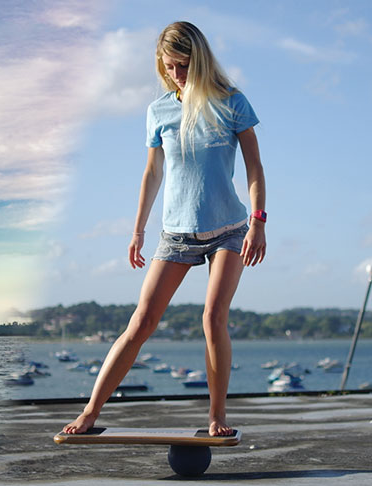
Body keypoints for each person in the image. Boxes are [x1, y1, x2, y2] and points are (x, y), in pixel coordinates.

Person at [63, 21, 266, 437]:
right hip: (176, 233)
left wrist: (258, 222)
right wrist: (137, 230)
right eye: (169, 66)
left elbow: (254, 167)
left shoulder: (231, 102)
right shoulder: (159, 111)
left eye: (184, 65)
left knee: (213, 318)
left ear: (201, 61)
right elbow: (152, 172)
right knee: (141, 322)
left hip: (229, 228)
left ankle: (216, 417)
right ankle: (89, 413)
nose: (176, 74)